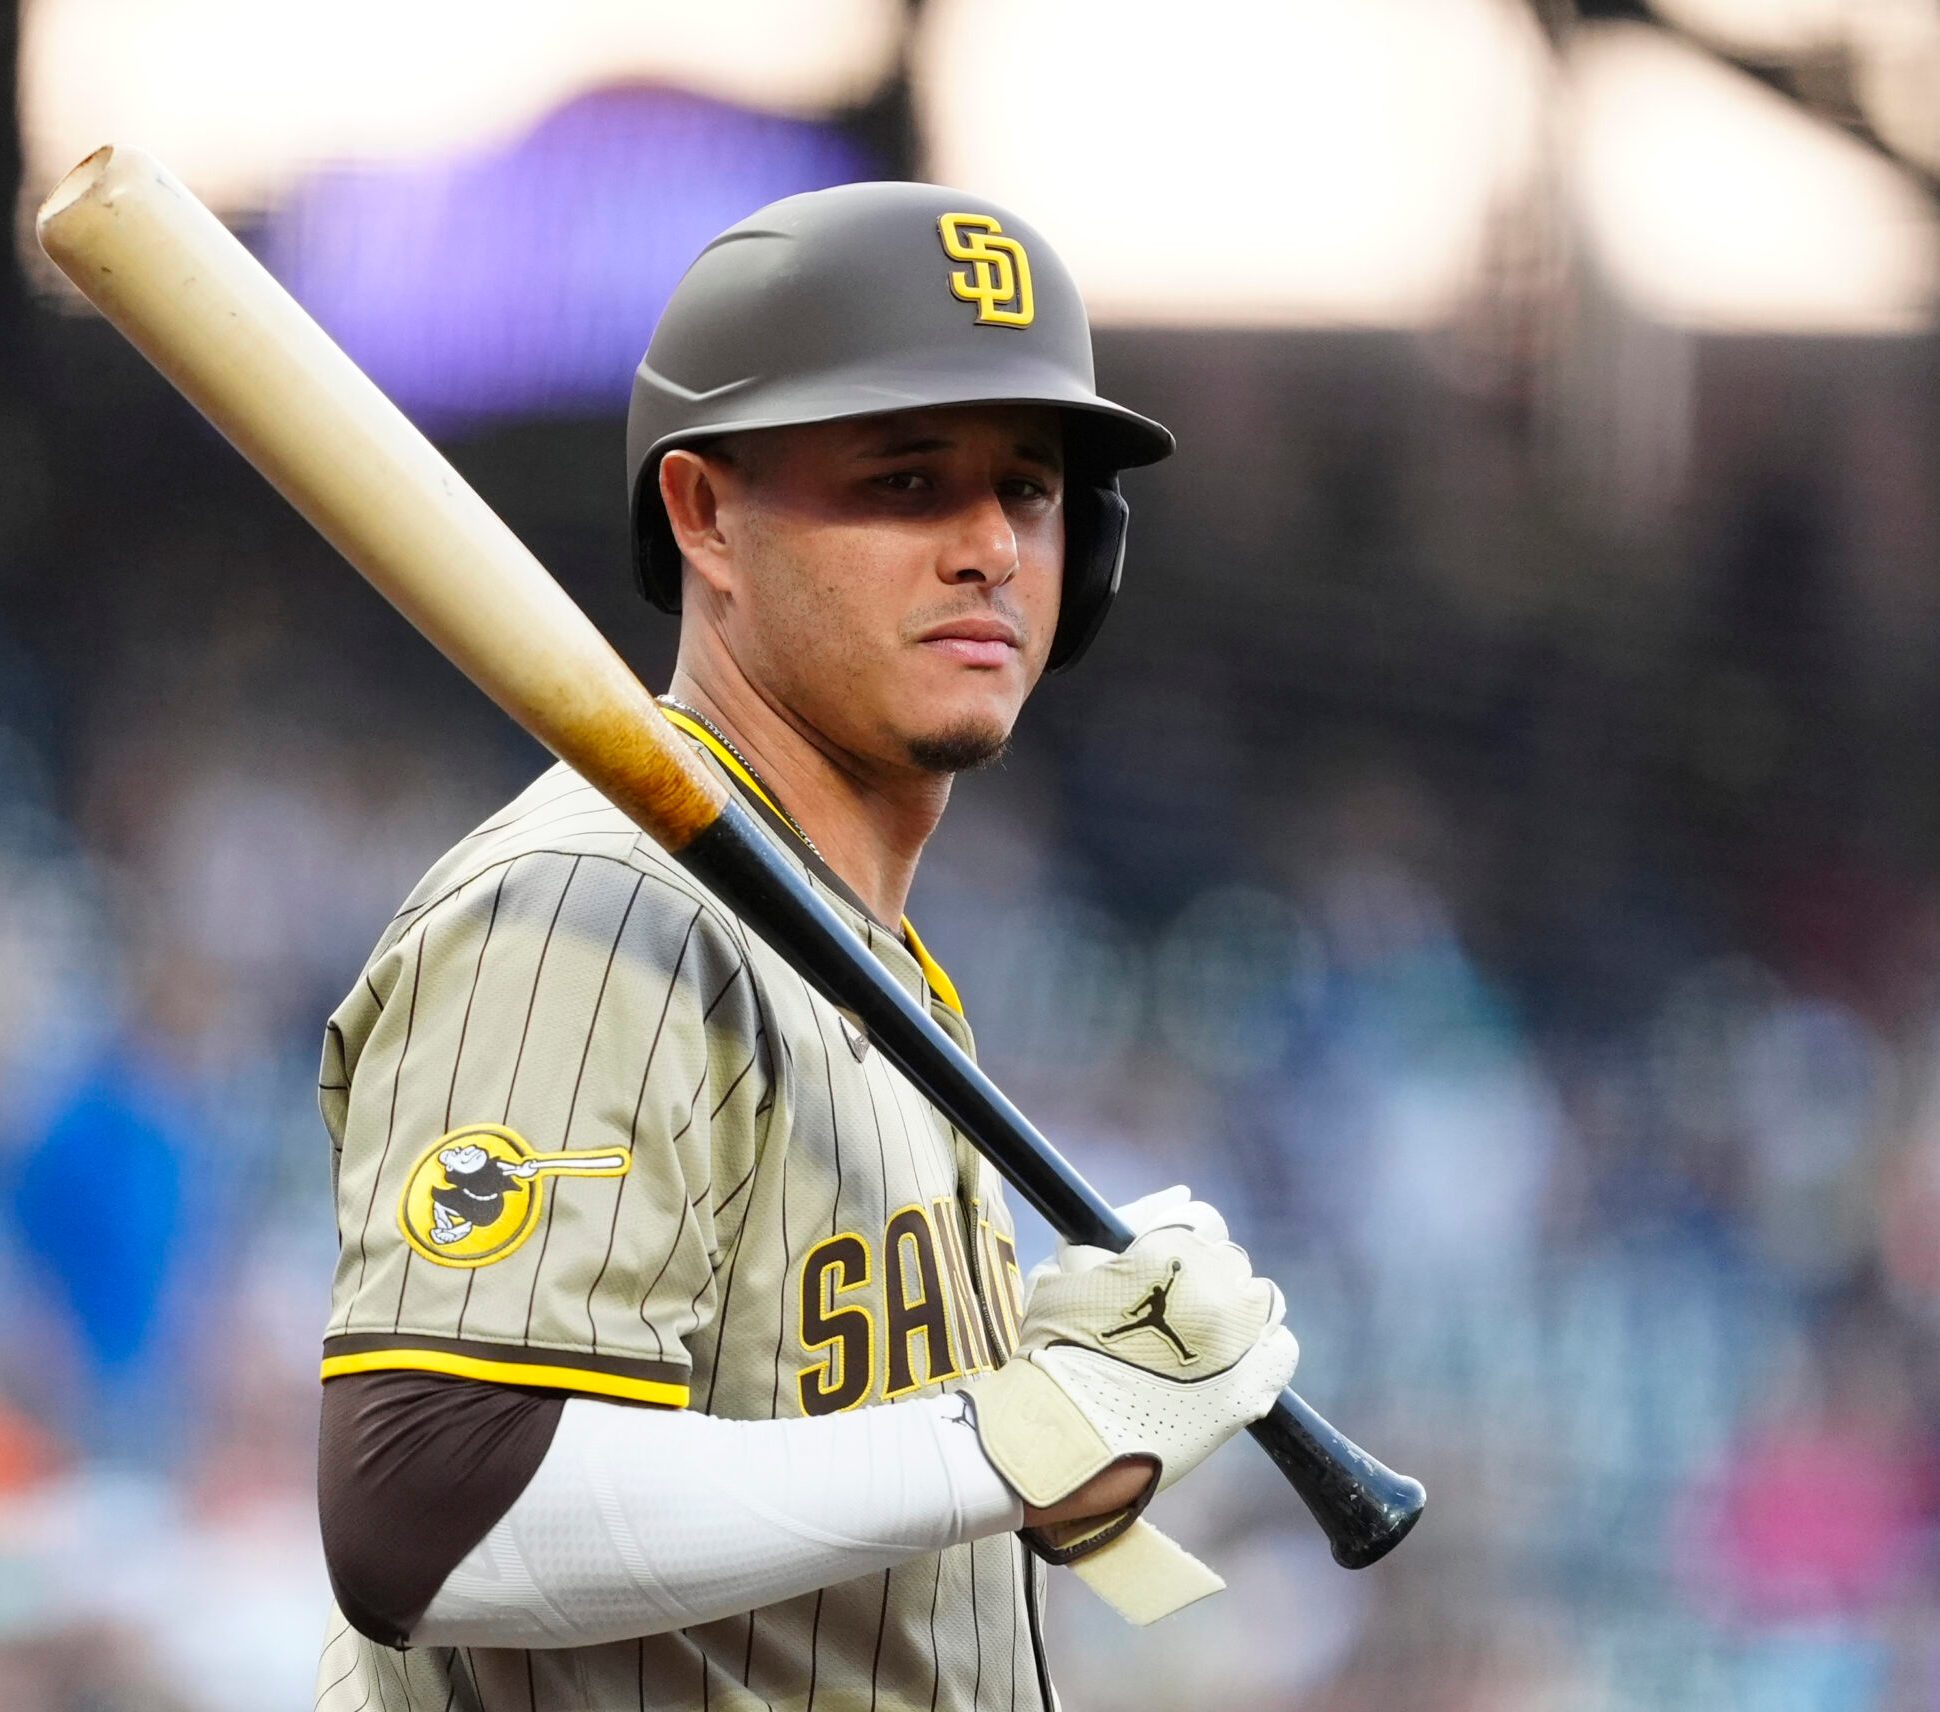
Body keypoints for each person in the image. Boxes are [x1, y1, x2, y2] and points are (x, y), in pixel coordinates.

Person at [311, 181, 1298, 1711]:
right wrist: (1006, 1432)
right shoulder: (597, 909)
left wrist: (1055, 1446)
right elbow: (429, 1511)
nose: (987, 548)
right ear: (706, 514)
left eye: (1027, 491)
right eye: (907, 481)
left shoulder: (860, 956)